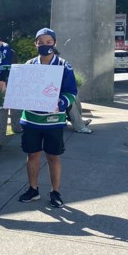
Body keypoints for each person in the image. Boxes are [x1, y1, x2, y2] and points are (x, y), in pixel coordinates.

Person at [17, 27, 79, 208]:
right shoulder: (29, 65)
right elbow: (22, 88)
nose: (44, 45)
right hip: (31, 119)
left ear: (55, 43)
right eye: (41, 42)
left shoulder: (63, 66)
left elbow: (71, 92)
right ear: (35, 44)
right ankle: (33, 189)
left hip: (53, 120)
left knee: (53, 157)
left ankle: (55, 192)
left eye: (48, 42)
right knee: (32, 155)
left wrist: (60, 103)